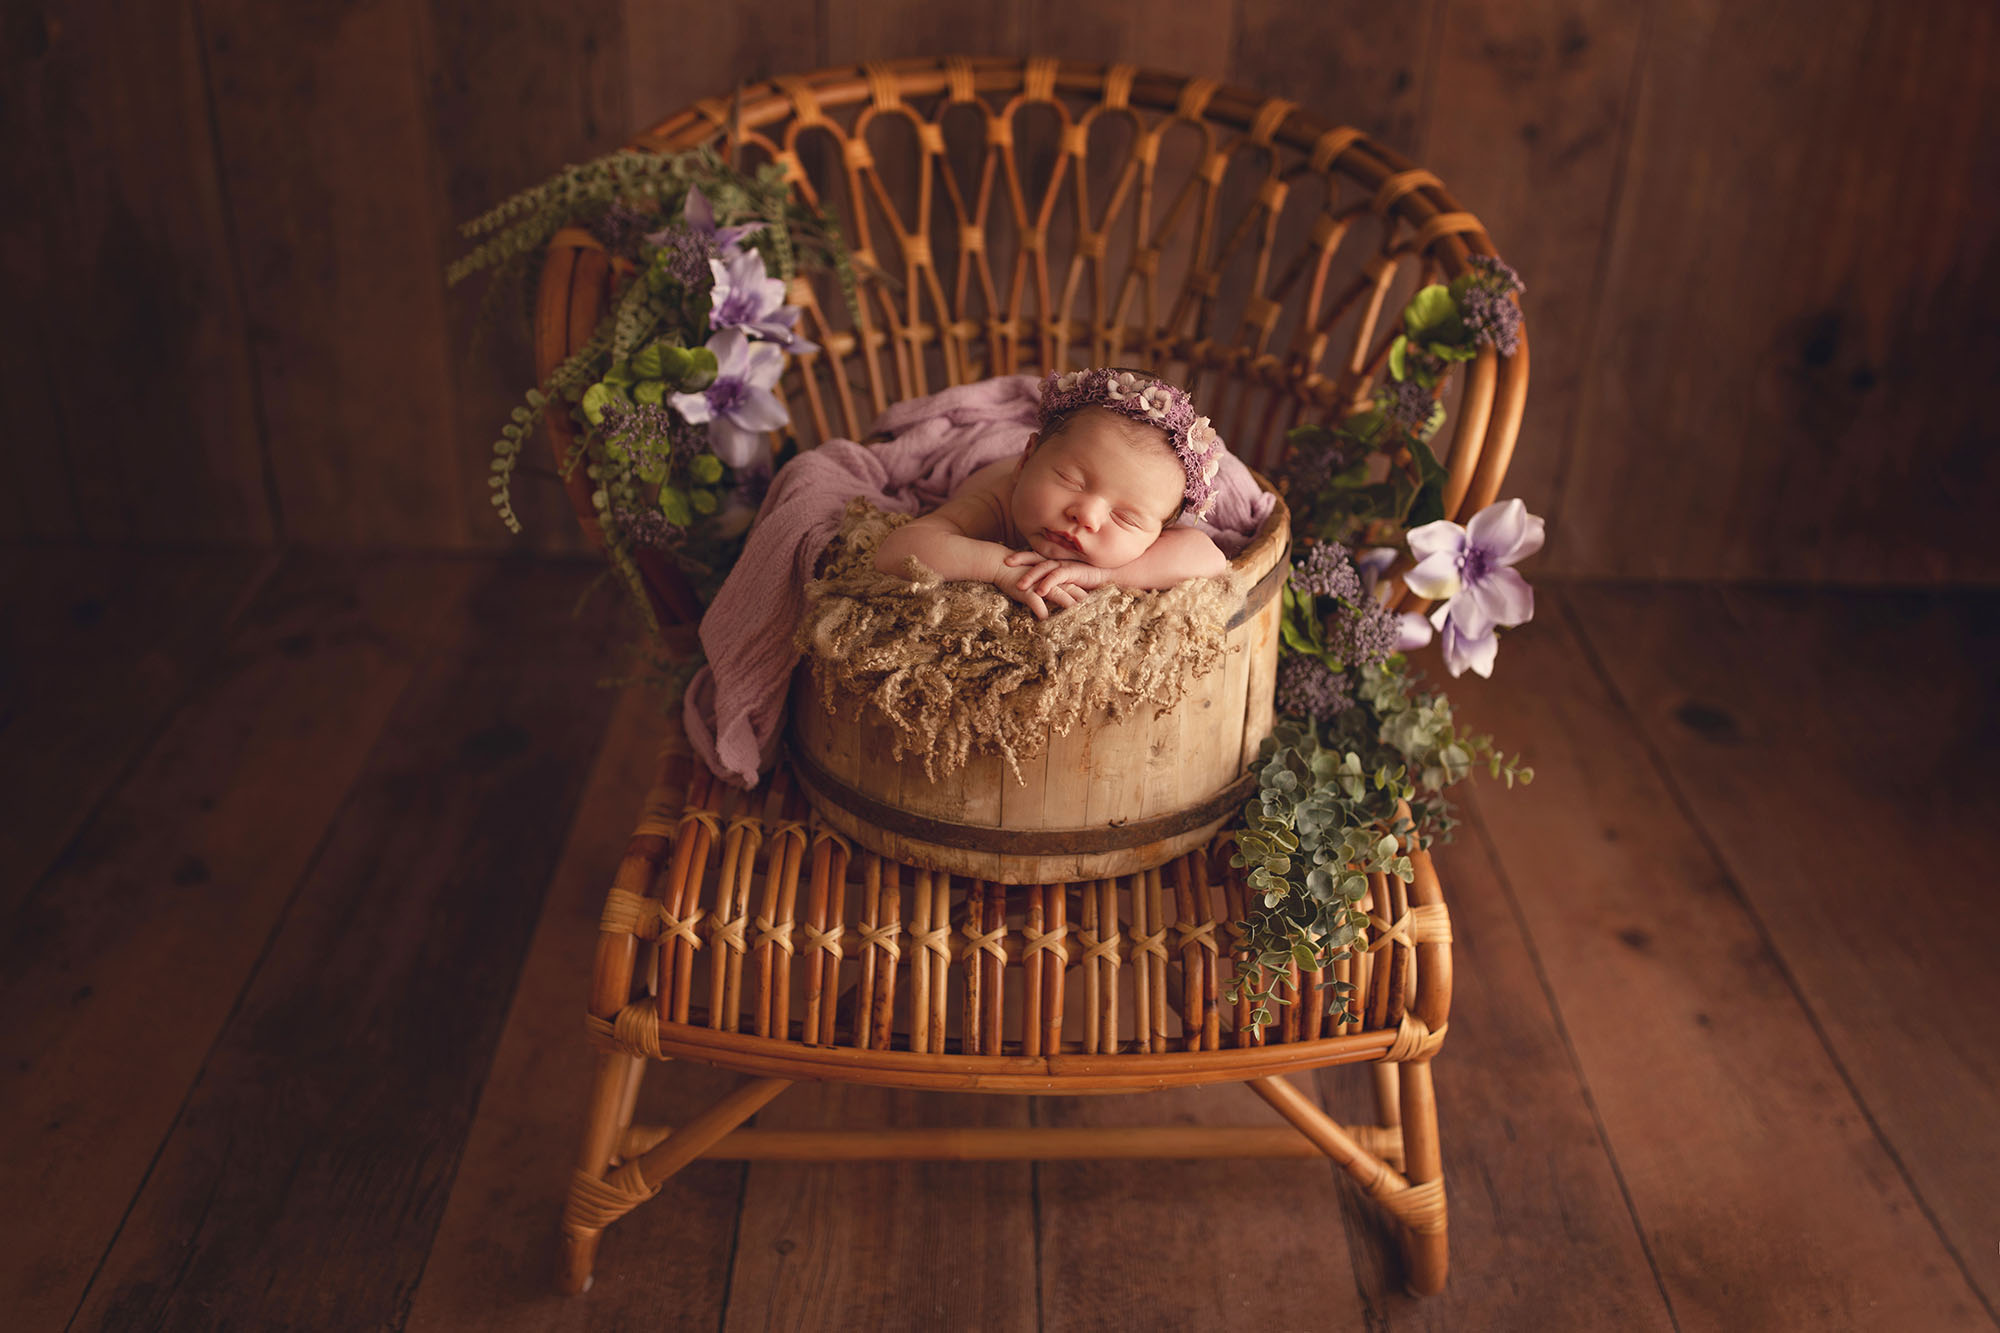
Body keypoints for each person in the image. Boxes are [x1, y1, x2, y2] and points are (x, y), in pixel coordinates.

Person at [872, 367, 1231, 618]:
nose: (1086, 515)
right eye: (1070, 481)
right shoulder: (997, 503)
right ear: (1026, 461)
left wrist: (1102, 576)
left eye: (1124, 517)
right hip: (986, 455)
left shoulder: (1149, 506)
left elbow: (1210, 558)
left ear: (1158, 534)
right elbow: (898, 549)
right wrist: (998, 569)